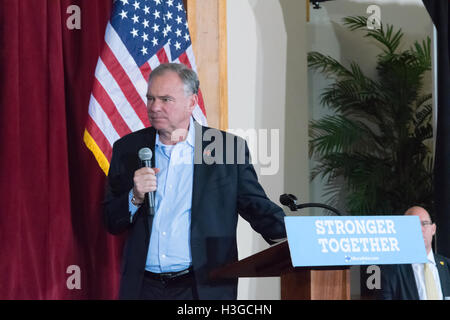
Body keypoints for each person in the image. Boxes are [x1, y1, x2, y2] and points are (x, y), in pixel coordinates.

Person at [103, 63, 286, 300]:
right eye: (151, 99)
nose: (155, 107)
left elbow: (256, 207)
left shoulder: (226, 149)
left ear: (192, 102)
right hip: (143, 288)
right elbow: (110, 220)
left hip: (202, 287)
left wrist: (301, 237)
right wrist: (134, 197)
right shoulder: (128, 149)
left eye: (166, 99)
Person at [380, 206, 450, 300]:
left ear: (433, 229)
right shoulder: (391, 271)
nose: (420, 229)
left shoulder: (447, 266)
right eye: (413, 225)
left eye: (424, 223)